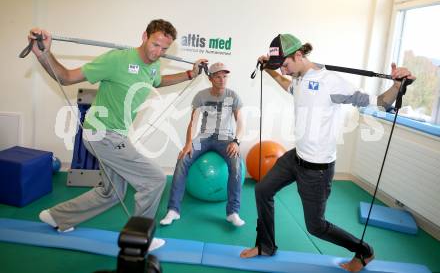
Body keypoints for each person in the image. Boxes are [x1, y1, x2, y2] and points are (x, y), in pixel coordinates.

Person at [240, 34, 416, 272]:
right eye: (280, 66)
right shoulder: (298, 78)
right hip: (295, 157)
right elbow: (287, 85)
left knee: (316, 226)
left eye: (285, 64)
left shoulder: (330, 82)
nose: (284, 69)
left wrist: (397, 84)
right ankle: (266, 245)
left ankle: (364, 251)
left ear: (299, 55)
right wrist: (270, 70)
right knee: (262, 189)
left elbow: (379, 102)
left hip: (317, 169)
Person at [28, 19, 207, 251]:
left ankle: (57, 217)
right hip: (102, 134)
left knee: (111, 193)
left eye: (164, 48)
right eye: (155, 45)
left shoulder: (153, 65)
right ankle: (141, 237)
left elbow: (158, 80)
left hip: (115, 135)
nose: (158, 52)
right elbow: (66, 77)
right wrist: (44, 54)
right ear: (144, 36)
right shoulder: (116, 60)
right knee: (155, 179)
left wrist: (190, 74)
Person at [160, 62, 245, 227]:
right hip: (204, 138)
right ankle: (173, 210)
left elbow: (241, 122)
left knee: (236, 164)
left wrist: (236, 141)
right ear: (210, 78)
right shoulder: (201, 96)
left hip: (225, 139)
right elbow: (193, 121)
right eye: (218, 76)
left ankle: (233, 212)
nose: (222, 80)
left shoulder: (233, 96)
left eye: (225, 76)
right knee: (183, 159)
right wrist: (188, 144)